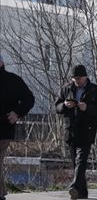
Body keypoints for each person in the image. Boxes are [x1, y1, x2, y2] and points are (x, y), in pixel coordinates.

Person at [54, 65, 97, 200]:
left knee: (81, 160)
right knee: (75, 163)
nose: (77, 81)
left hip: (87, 130)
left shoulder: (95, 90)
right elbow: (57, 107)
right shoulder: (66, 89)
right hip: (71, 130)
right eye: (74, 78)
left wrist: (87, 107)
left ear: (85, 77)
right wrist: (65, 105)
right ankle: (82, 193)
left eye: (79, 78)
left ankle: (74, 186)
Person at [1, 52, 35, 200]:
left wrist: (17, 113)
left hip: (3, 128)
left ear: (1, 63)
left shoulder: (12, 80)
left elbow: (29, 98)